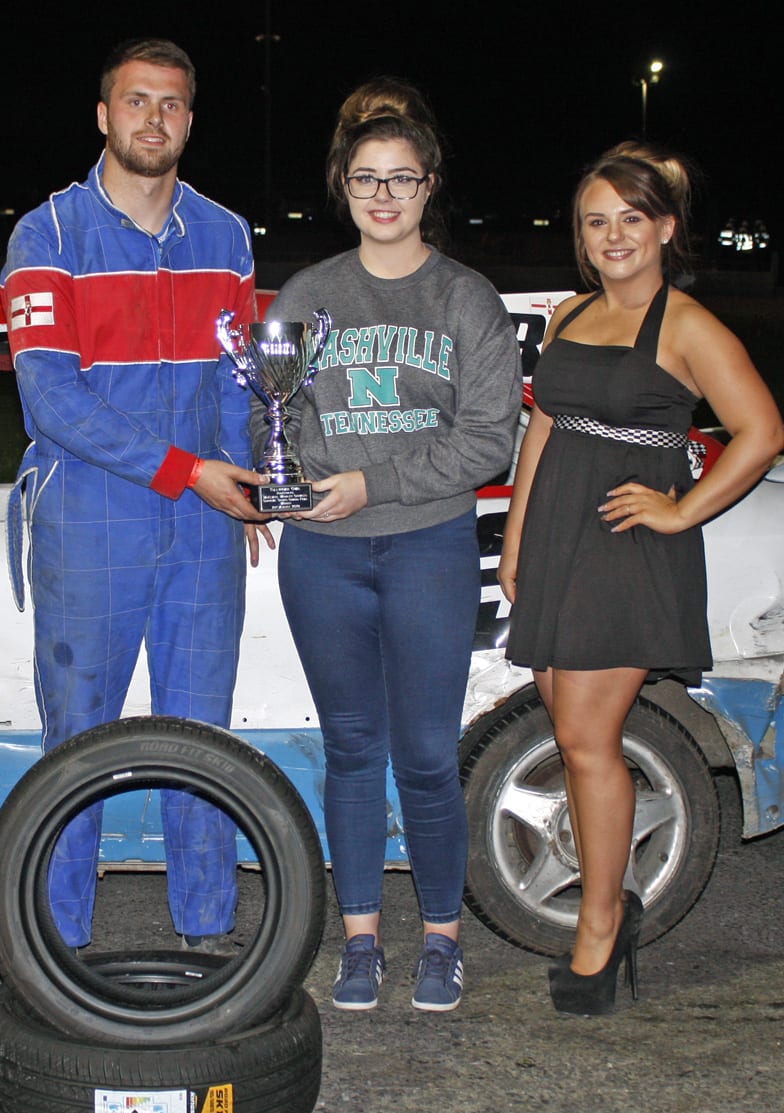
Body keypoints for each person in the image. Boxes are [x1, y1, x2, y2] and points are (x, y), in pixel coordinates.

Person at [499, 144, 784, 1015]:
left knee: (587, 739)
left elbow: (761, 432)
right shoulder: (571, 317)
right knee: (571, 722)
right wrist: (516, 542)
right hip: (556, 539)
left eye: (631, 218)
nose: (613, 235)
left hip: (627, 548)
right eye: (596, 221)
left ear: (663, 227)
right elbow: (542, 431)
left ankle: (601, 925)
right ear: (582, 239)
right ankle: (606, 907)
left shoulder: (688, 325)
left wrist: (680, 511)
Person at [0, 38, 266, 951]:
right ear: (105, 116)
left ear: (190, 120)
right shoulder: (47, 235)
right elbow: (50, 398)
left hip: (202, 529)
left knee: (202, 739)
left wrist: (245, 484)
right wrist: (189, 469)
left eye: (173, 104)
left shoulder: (227, 235)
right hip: (87, 517)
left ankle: (209, 939)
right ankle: (57, 949)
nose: (155, 118)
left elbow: (239, 381)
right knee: (79, 741)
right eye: (137, 101)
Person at [266, 81, 522, 1012]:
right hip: (325, 556)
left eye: (401, 180)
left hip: (426, 546)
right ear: (343, 183)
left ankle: (444, 941)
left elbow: (491, 437)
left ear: (428, 187)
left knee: (421, 752)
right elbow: (276, 415)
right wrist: (285, 484)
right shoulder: (308, 293)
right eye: (366, 179)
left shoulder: (465, 297)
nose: (383, 196)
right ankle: (363, 939)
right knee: (350, 748)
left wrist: (375, 482)